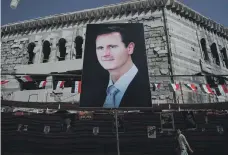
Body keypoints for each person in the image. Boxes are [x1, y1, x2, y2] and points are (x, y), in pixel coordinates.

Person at [94, 25, 151, 108]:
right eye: (100, 48)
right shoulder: (95, 90)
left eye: (112, 47)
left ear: (130, 48)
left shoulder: (146, 87)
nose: (105, 54)